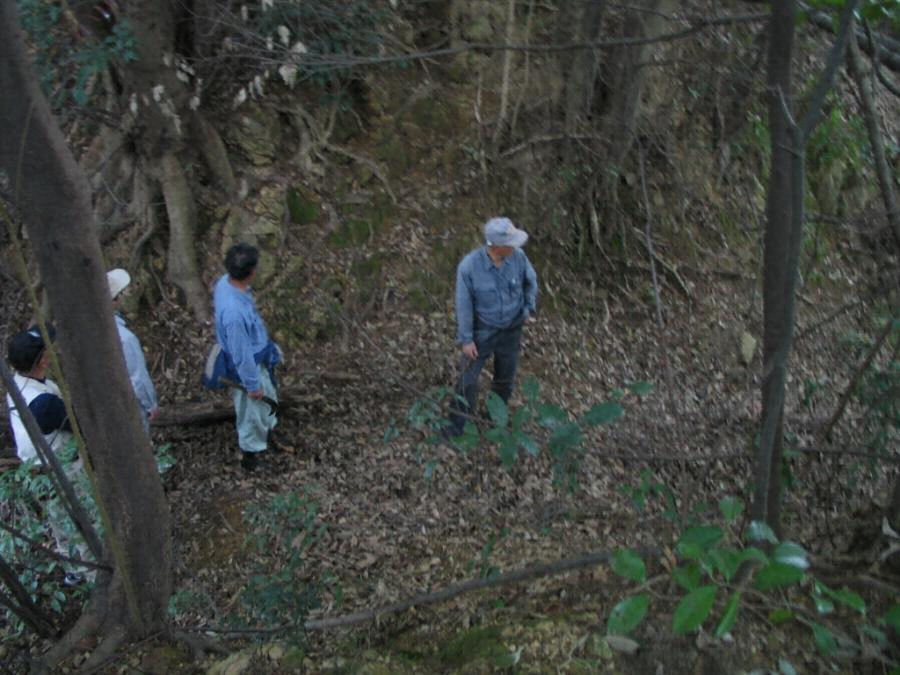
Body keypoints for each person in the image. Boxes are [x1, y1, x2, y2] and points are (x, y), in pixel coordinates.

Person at [6, 325, 94, 583]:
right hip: (60, 468)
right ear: (41, 360)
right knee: (81, 520)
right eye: (47, 351)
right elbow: (78, 423)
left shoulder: (18, 384)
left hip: (38, 470)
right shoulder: (43, 404)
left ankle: (72, 568)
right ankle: (92, 574)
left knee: (59, 519)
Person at [446, 217, 538, 437]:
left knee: (505, 379)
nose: (515, 247)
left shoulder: (519, 258)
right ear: (496, 246)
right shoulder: (469, 267)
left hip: (512, 329)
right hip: (482, 332)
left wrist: (528, 308)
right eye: (510, 244)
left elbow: (531, 282)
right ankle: (456, 428)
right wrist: (467, 339)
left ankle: (495, 420)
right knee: (467, 380)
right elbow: (464, 304)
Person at [213, 243, 282, 471]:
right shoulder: (234, 313)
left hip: (258, 356)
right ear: (251, 272)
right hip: (247, 366)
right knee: (251, 412)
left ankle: (269, 432)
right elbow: (241, 353)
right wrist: (252, 384)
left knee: (268, 400)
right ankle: (250, 457)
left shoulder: (225, 283)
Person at [107, 268, 159, 433]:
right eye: (122, 293)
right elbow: (137, 378)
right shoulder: (125, 338)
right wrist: (151, 405)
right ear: (115, 300)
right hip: (129, 409)